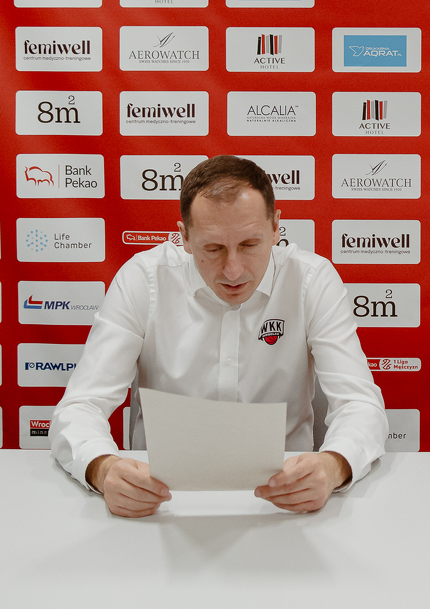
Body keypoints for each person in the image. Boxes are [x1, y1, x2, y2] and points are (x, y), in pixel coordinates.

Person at [51, 155, 388, 516]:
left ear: (276, 227)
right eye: (213, 249)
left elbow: (360, 404)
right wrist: (102, 469)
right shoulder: (143, 280)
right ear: (184, 237)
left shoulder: (311, 281)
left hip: (285, 502)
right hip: (162, 501)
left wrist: (333, 466)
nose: (233, 270)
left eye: (250, 244)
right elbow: (81, 406)